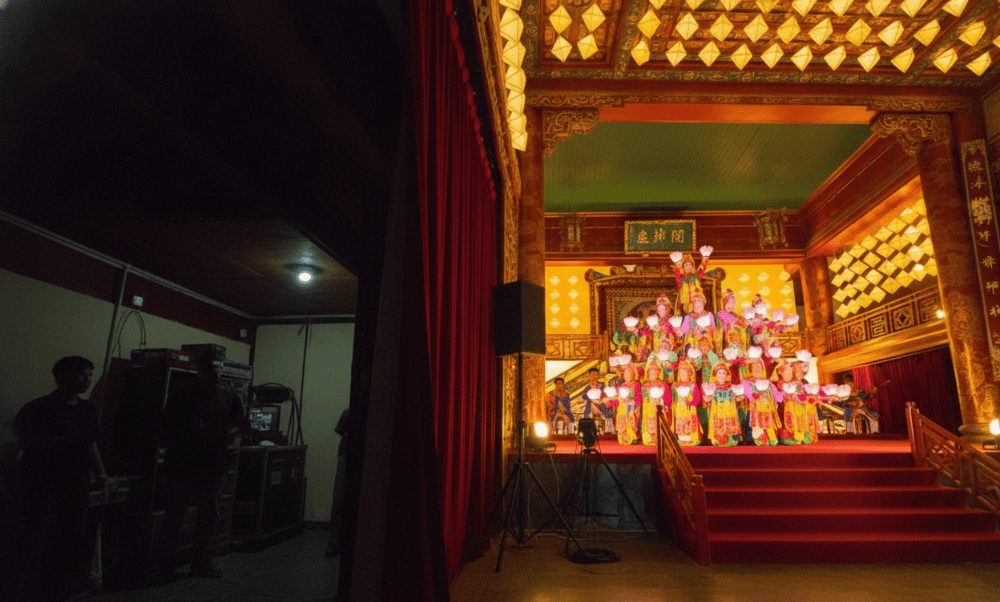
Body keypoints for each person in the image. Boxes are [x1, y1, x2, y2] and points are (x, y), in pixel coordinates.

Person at [10, 356, 108, 602]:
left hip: (76, 487)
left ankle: (56, 593)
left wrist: (101, 473)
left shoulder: (87, 409)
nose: (88, 379)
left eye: (89, 374)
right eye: (82, 374)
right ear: (63, 377)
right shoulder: (38, 408)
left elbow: (90, 444)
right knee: (35, 546)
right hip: (42, 489)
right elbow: (29, 442)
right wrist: (63, 443)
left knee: (68, 546)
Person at [153, 359, 244, 580]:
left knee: (208, 514)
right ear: (200, 370)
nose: (216, 373)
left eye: (219, 369)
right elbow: (166, 425)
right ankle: (165, 564)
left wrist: (224, 441)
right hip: (182, 463)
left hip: (213, 464)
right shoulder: (183, 395)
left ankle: (201, 562)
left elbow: (239, 422)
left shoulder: (229, 396)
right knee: (175, 514)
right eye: (211, 369)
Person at [326, 408, 349, 558]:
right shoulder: (349, 412)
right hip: (347, 456)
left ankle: (335, 542)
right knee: (340, 500)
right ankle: (336, 542)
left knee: (339, 500)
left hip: (346, 456)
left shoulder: (349, 412)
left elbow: (341, 432)